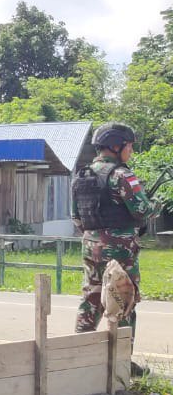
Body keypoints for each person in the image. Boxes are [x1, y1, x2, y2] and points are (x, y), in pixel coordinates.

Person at [71, 122, 159, 374]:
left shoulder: (82, 176)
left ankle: (77, 359)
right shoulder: (122, 176)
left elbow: (76, 218)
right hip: (120, 251)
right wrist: (155, 205)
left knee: (91, 299)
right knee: (124, 301)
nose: (131, 151)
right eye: (129, 146)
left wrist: (96, 236)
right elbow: (141, 210)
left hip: (90, 246)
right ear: (116, 146)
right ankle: (121, 365)